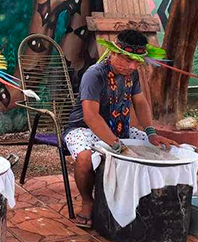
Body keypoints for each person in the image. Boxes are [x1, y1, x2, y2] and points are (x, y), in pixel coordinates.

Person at [63, 29, 177, 228]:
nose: (131, 66)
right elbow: (90, 116)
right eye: (126, 59)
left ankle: (136, 201)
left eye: (136, 61)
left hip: (120, 128)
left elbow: (140, 102)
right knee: (84, 159)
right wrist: (117, 145)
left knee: (159, 150)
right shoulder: (94, 75)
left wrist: (151, 133)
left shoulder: (132, 74)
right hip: (84, 128)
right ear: (113, 52)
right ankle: (87, 201)